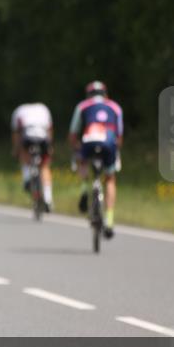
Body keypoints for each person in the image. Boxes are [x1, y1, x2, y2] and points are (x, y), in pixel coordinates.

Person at [69, 81, 123, 238]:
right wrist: (116, 151)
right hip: (108, 142)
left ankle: (85, 189)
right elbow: (119, 137)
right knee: (110, 179)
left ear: (89, 94)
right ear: (105, 94)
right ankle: (110, 221)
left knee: (82, 160)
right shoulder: (115, 107)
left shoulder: (82, 106)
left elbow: (73, 134)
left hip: (89, 139)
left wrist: (77, 150)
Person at [10, 102, 54, 211]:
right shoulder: (43, 108)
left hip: (28, 136)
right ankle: (48, 199)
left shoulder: (18, 111)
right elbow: (49, 129)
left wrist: (16, 150)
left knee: (23, 153)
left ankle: (27, 178)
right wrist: (50, 147)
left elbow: (16, 133)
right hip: (43, 136)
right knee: (44, 166)